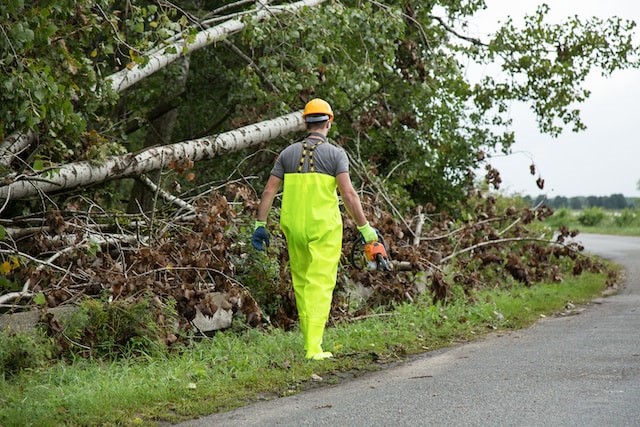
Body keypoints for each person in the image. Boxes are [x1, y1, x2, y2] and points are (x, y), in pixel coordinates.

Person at [251, 98, 378, 360]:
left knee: (301, 283)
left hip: (293, 226)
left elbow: (268, 191)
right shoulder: (336, 155)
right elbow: (349, 195)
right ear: (329, 122)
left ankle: (311, 342)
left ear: (304, 122)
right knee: (319, 284)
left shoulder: (287, 154)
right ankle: (313, 348)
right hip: (324, 229)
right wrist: (365, 229)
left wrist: (259, 224)